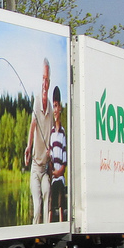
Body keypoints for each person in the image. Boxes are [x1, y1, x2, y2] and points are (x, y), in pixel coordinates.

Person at [23, 58, 53, 224]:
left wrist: (51, 152)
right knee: (37, 206)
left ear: (49, 82)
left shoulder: (49, 106)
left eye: (46, 79)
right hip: (35, 167)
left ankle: (47, 233)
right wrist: (29, 147)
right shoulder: (36, 102)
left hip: (45, 168)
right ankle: (36, 231)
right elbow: (32, 126)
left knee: (47, 193)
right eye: (42, 78)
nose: (44, 82)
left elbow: (54, 134)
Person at [49, 86, 68, 223]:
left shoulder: (62, 132)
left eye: (56, 106)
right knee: (51, 204)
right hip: (53, 176)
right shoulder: (50, 132)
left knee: (61, 204)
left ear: (60, 108)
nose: (55, 110)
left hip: (60, 177)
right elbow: (49, 154)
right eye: (53, 106)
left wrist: (59, 172)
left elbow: (64, 158)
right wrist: (52, 171)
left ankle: (62, 223)